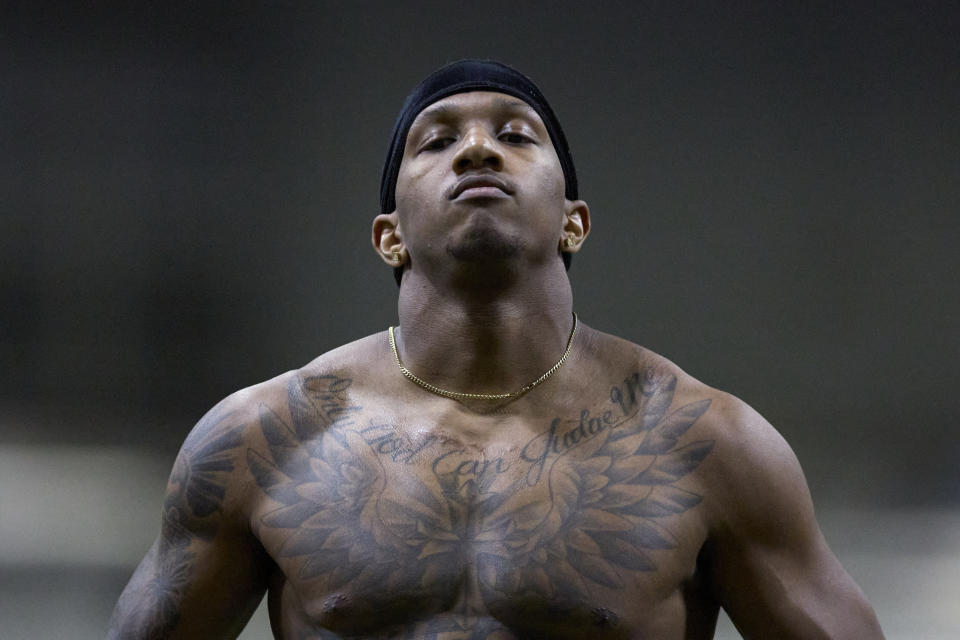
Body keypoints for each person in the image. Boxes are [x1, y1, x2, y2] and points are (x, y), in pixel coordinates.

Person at [108, 59, 884, 639]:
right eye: (438, 141)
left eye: (515, 134)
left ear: (574, 222)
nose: (477, 150)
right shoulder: (263, 439)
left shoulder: (705, 444)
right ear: (391, 238)